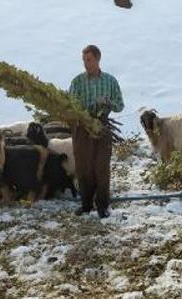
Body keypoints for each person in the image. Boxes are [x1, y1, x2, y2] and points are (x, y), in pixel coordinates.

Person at [68, 44, 124, 218]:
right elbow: (72, 105)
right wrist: (87, 109)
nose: (86, 63)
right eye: (84, 60)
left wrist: (107, 102)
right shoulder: (77, 82)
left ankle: (102, 206)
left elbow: (120, 105)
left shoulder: (110, 81)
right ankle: (86, 205)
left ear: (98, 59)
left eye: (89, 60)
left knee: (101, 166)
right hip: (82, 127)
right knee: (83, 166)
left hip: (102, 126)